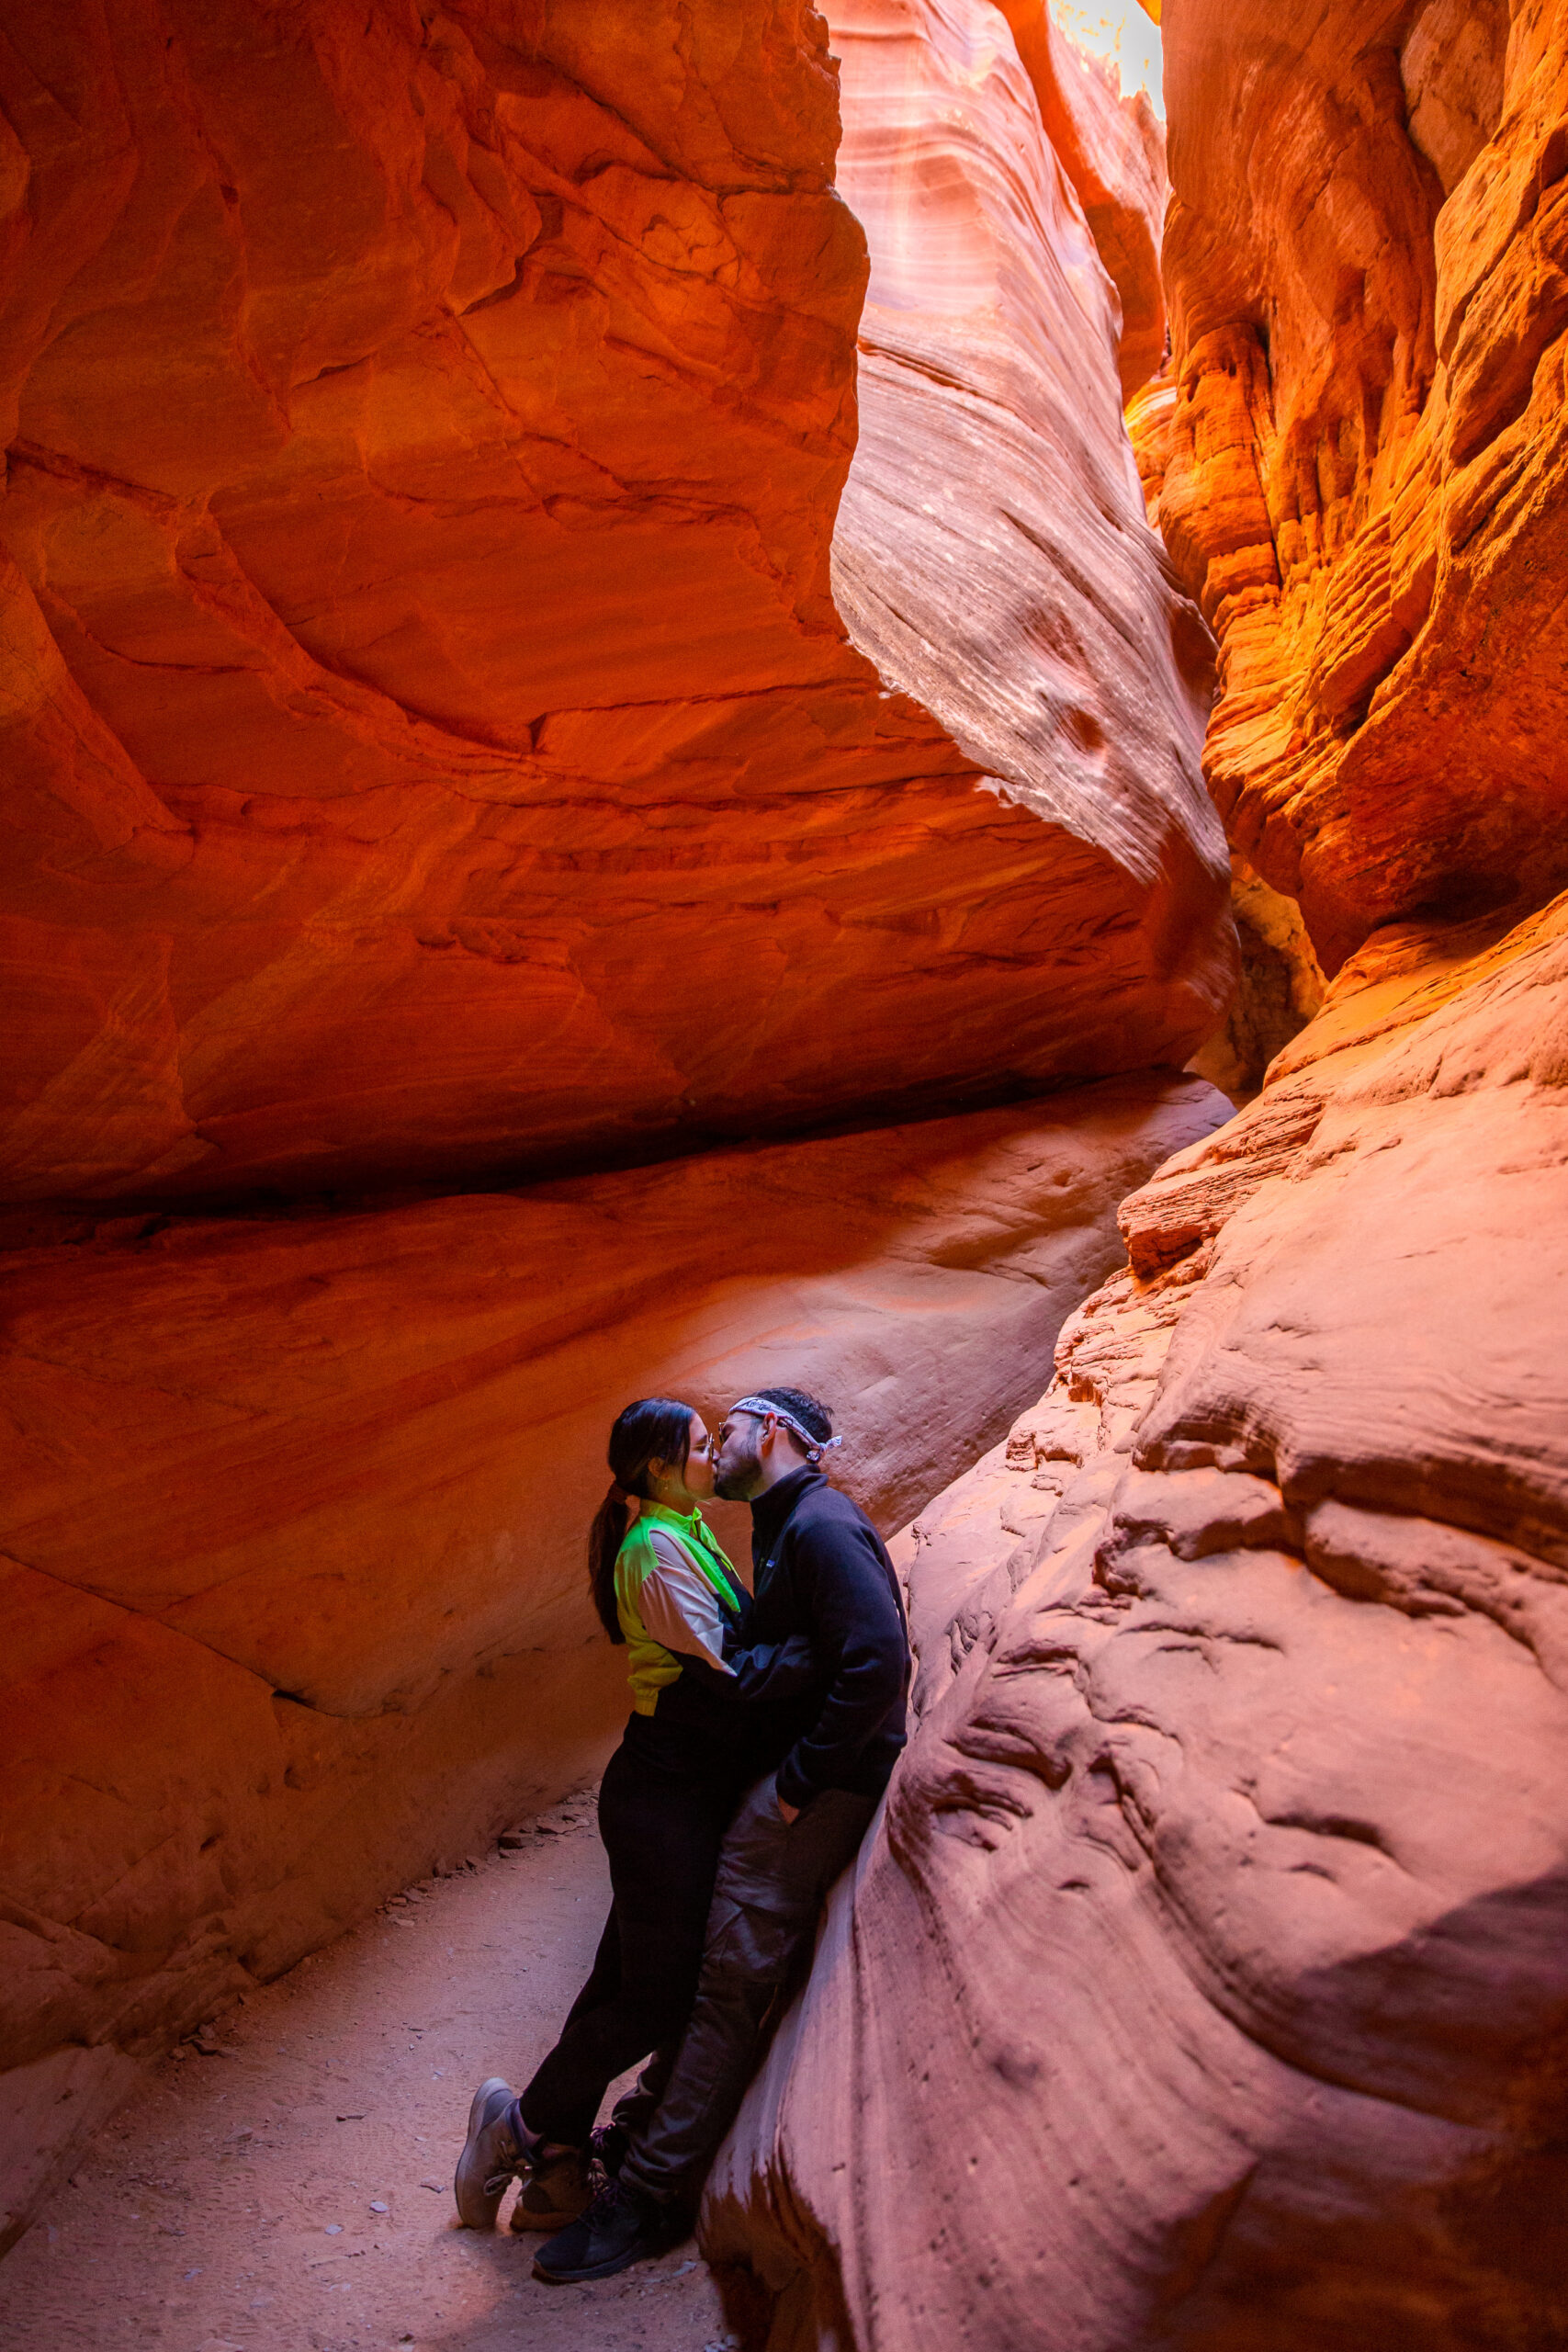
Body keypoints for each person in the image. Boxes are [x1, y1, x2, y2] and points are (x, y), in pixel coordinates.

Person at [533, 1384, 910, 2284]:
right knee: (690, 1971)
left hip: (813, 1788)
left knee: (725, 1979)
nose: (719, 1446)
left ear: (770, 1431)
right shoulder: (768, 1524)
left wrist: (798, 1783)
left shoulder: (816, 1526)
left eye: (728, 1430)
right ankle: (622, 2142)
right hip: (725, 1785)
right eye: (703, 1439)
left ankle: (648, 2194)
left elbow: (877, 1660)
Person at [454, 1396, 814, 2234]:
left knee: (620, 1981)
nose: (711, 1456)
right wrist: (826, 1650)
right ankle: (518, 2130)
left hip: (676, 1786)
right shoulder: (654, 1550)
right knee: (655, 1997)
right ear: (657, 1468)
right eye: (697, 1446)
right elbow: (726, 1665)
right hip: (664, 1794)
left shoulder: (680, 1529)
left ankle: (553, 2170)